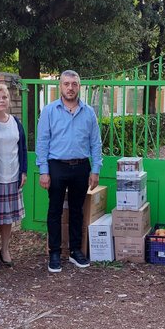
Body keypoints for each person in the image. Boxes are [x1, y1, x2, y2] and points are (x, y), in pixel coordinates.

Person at [36, 70, 102, 273]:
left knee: (76, 210)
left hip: (81, 167)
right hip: (56, 166)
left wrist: (95, 169)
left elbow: (95, 143)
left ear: (79, 86)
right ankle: (54, 253)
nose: (70, 88)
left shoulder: (89, 112)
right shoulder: (49, 111)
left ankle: (75, 250)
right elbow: (42, 142)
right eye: (66, 84)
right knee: (55, 210)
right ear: (60, 86)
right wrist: (44, 171)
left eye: (74, 84)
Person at [0, 84, 27, 268]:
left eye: (5, 97)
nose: (2, 100)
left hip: (13, 176)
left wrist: (23, 171)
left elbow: (22, 148)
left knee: (7, 218)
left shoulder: (15, 122)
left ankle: (5, 249)